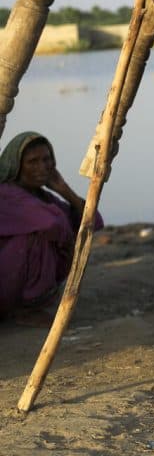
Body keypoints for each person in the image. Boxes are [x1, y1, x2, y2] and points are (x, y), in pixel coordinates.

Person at [0, 132, 103, 324]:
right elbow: (52, 224)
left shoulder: (42, 196)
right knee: (36, 237)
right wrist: (70, 242)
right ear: (16, 165)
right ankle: (21, 309)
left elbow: (94, 222)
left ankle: (29, 305)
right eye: (33, 161)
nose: (42, 167)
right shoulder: (6, 194)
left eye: (47, 160)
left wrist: (64, 190)